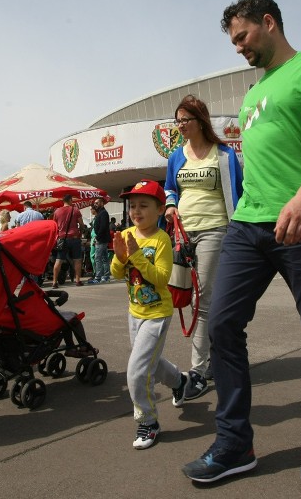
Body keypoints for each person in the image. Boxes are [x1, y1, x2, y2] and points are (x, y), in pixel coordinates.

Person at [182, 0, 301, 486]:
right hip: (248, 225)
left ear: (269, 22)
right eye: (233, 41)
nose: (237, 48)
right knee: (223, 326)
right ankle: (235, 443)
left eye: (242, 37)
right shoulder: (254, 93)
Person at [164, 94, 243, 402]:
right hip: (183, 233)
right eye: (178, 121)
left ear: (200, 121)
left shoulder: (223, 154)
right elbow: (170, 186)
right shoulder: (176, 156)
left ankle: (197, 371)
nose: (180, 126)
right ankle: (211, 360)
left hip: (215, 230)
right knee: (182, 294)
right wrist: (170, 205)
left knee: (203, 298)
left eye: (185, 120)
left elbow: (238, 191)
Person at [110, 180, 185, 450]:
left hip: (157, 314)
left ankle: (148, 422)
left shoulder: (161, 239)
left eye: (144, 206)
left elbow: (162, 279)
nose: (136, 211)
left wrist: (137, 256)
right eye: (133, 206)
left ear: (160, 209)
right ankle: (181, 381)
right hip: (134, 313)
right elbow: (116, 273)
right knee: (149, 361)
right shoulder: (128, 232)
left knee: (137, 372)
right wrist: (120, 257)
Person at [52, 194, 85, 287]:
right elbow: (81, 224)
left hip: (62, 239)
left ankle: (54, 282)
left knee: (59, 260)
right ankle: (78, 280)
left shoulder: (57, 211)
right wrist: (80, 233)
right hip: (74, 238)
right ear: (70, 200)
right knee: (77, 260)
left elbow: (54, 226)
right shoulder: (75, 210)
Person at [88, 197, 111, 284]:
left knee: (98, 258)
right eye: (95, 203)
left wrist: (97, 238)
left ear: (102, 203)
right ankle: (106, 276)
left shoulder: (103, 213)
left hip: (101, 239)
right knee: (104, 258)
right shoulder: (100, 213)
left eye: (97, 203)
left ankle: (98, 277)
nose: (95, 205)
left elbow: (103, 227)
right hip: (101, 238)